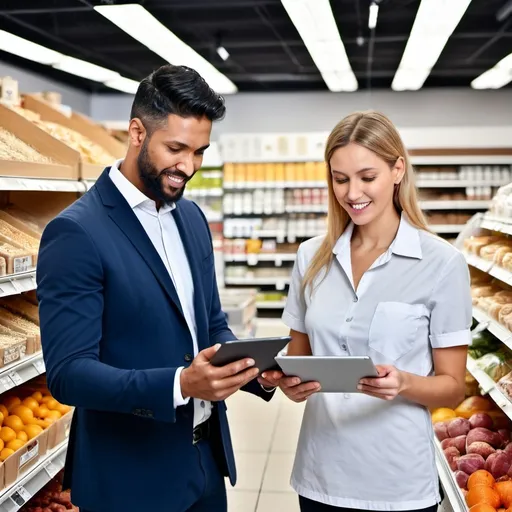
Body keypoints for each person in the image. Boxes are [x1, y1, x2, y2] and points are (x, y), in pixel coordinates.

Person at [37, 64, 276, 512]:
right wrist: (181, 384)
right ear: (136, 132)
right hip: (131, 479)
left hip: (204, 466)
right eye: (176, 148)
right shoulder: (77, 232)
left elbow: (210, 324)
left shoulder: (191, 219)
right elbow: (69, 374)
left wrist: (251, 364)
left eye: (200, 152)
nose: (189, 167)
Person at [259, 111, 471, 511]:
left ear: (397, 170)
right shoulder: (311, 258)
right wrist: (286, 383)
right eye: (340, 179)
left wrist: (404, 383)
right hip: (320, 474)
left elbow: (453, 386)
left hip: (398, 482)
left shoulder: (441, 263)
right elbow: (298, 360)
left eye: (366, 177)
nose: (352, 192)